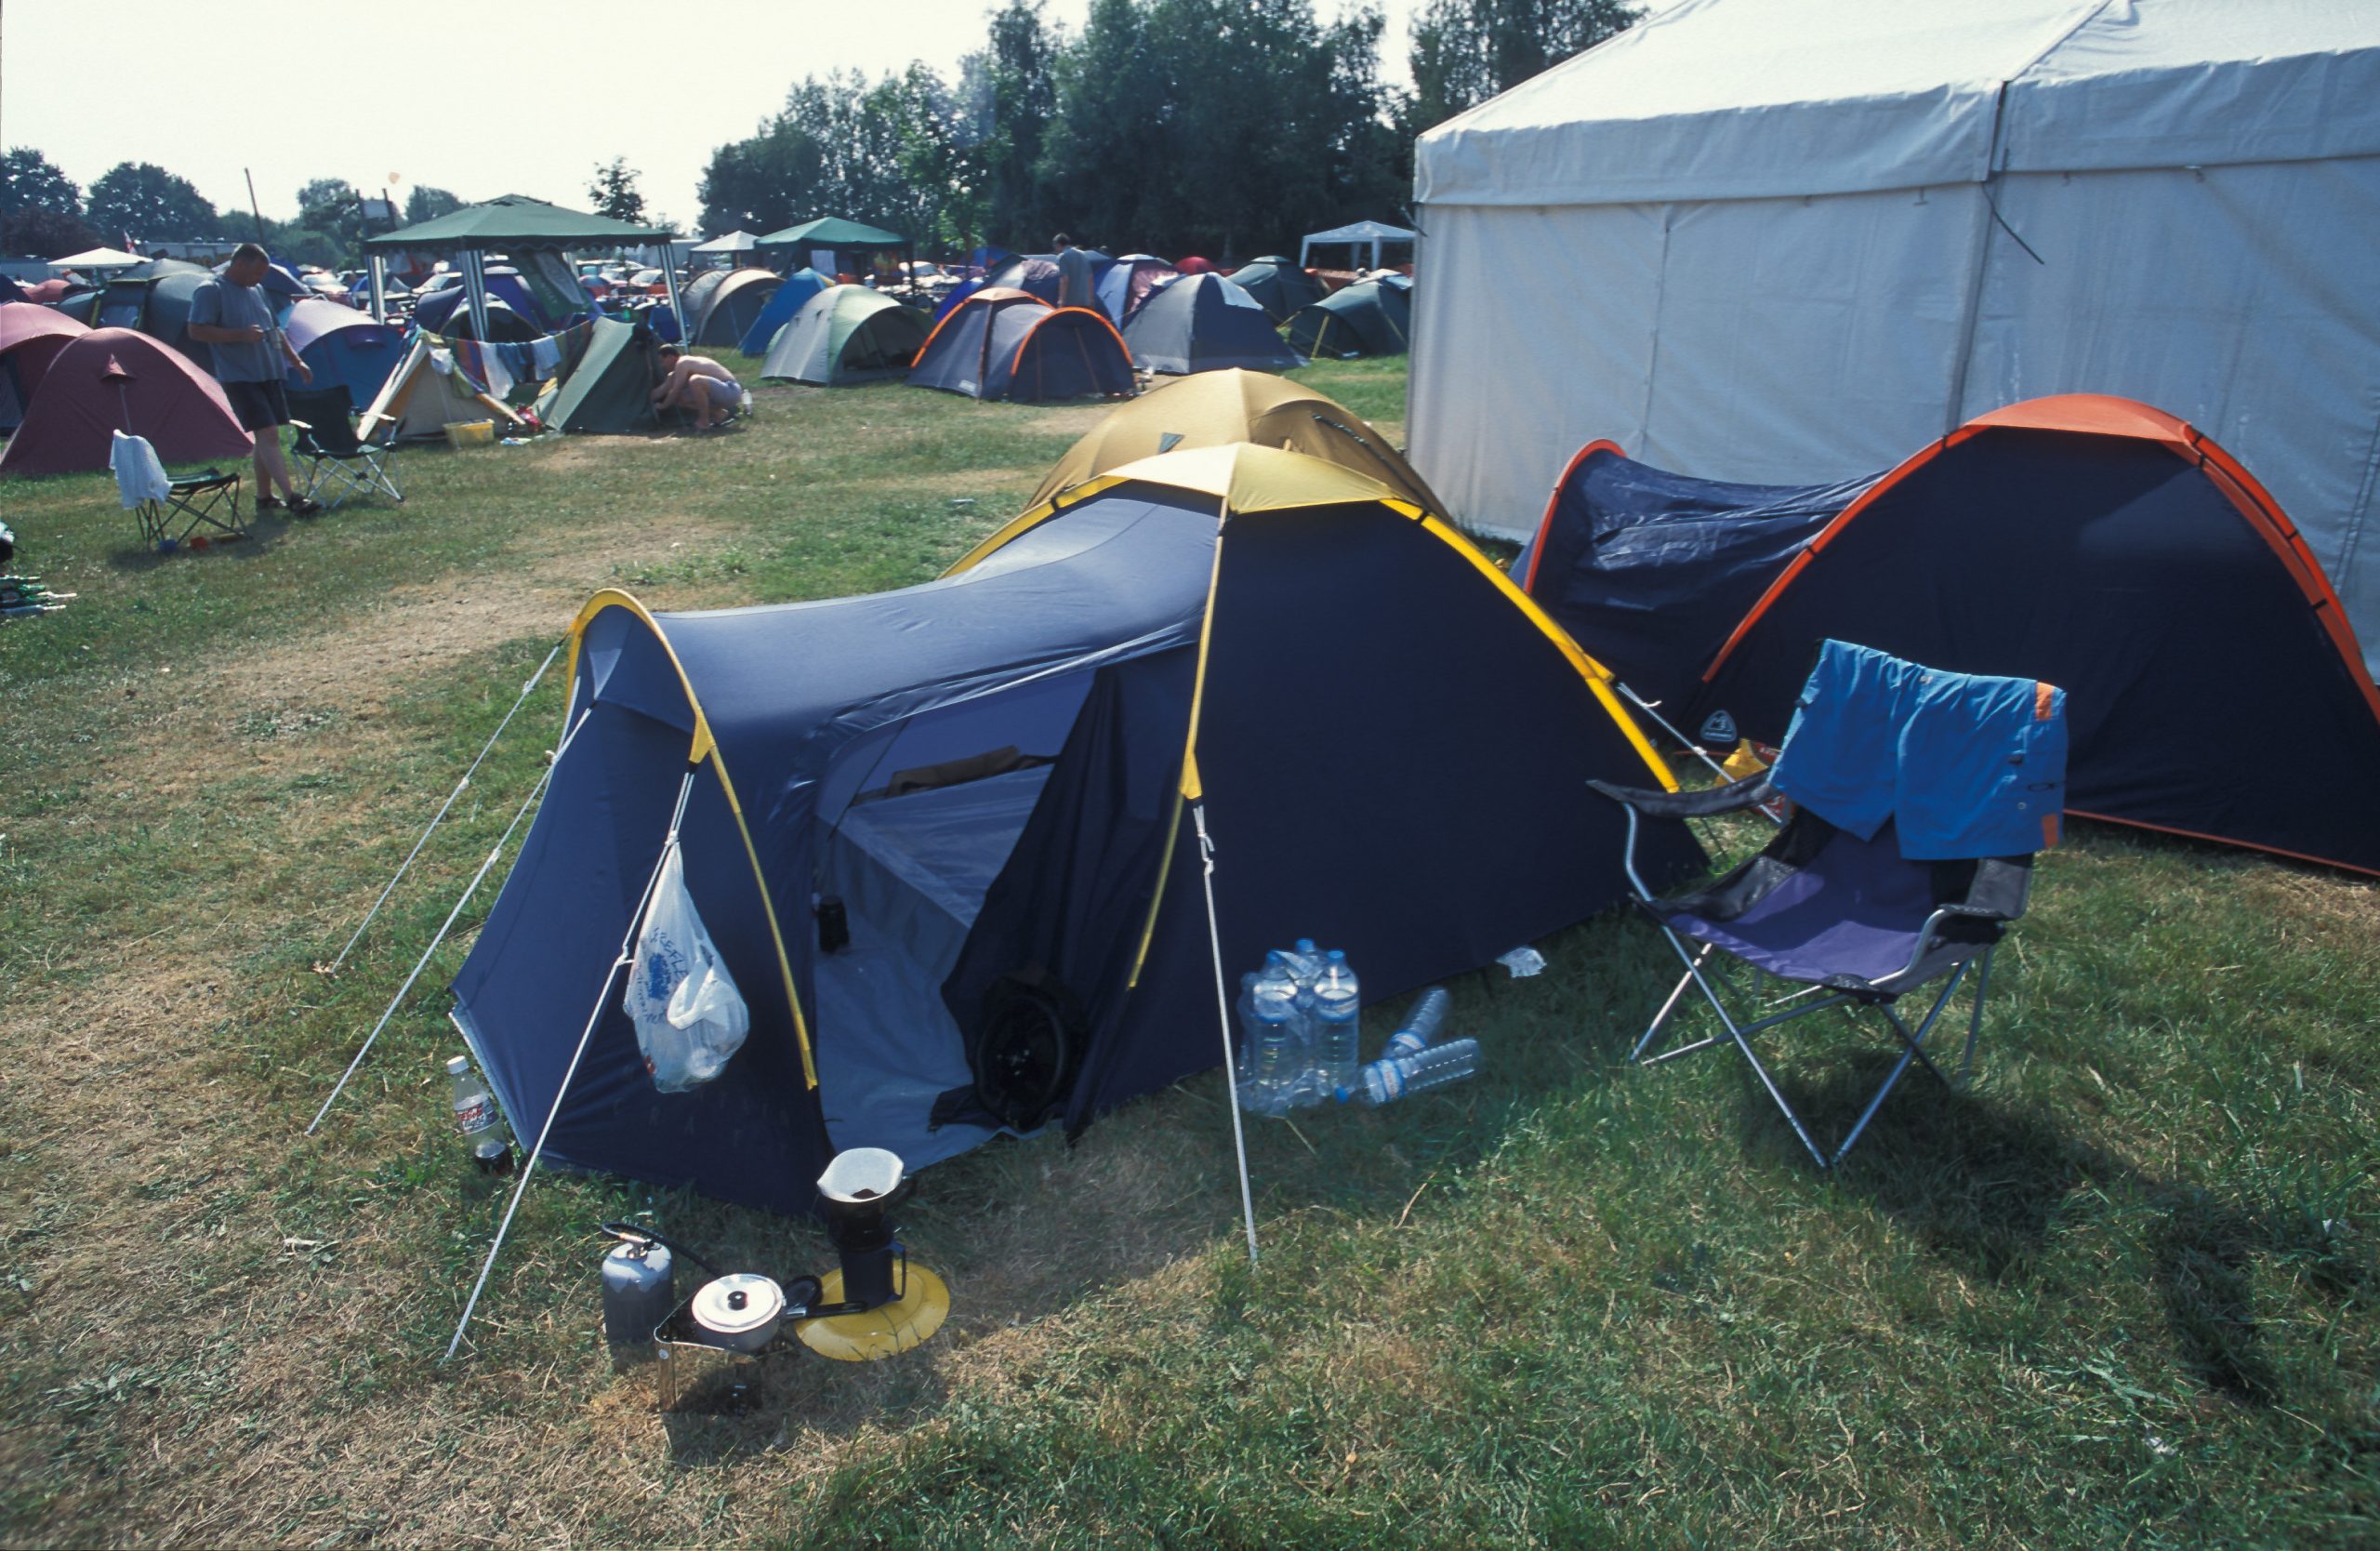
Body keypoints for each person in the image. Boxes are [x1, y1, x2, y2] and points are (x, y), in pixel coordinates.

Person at [185, 243, 319, 516]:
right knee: (268, 433)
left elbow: (274, 330)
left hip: (267, 372)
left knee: (265, 436)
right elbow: (196, 330)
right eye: (256, 273)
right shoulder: (211, 291)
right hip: (239, 375)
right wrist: (239, 335)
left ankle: (264, 496)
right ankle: (292, 496)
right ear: (239, 264)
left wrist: (296, 361)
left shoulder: (257, 291)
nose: (258, 279)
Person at [653, 343, 746, 430]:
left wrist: (663, 406)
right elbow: (662, 390)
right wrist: (646, 399)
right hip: (721, 392)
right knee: (680, 399)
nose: (662, 366)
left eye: (662, 361)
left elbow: (676, 389)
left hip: (731, 390)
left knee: (696, 380)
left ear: (670, 357)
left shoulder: (683, 363)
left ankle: (704, 421)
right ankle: (719, 413)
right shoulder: (678, 370)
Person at [1053, 232, 1094, 310]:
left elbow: (1065, 280)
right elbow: (1090, 278)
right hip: (1085, 301)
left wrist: (1061, 301)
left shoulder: (1063, 257)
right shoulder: (1084, 255)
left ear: (1058, 244)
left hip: (1070, 302)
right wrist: (1091, 299)